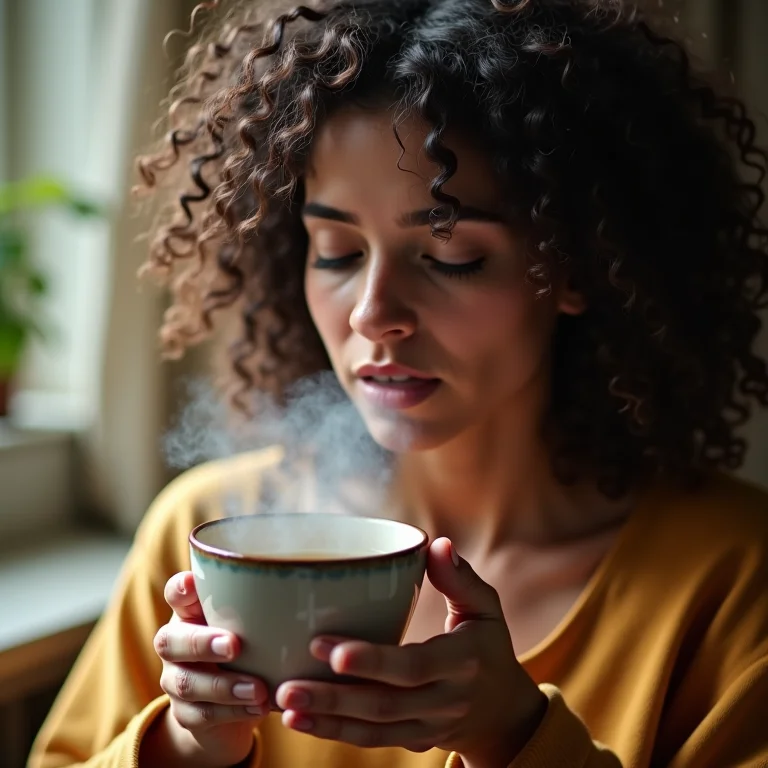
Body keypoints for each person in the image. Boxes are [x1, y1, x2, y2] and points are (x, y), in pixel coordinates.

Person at [28, 0, 768, 766]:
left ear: (575, 266)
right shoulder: (211, 533)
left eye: (450, 257)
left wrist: (516, 738)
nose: (372, 315)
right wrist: (182, 746)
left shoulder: (734, 578)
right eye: (338, 252)